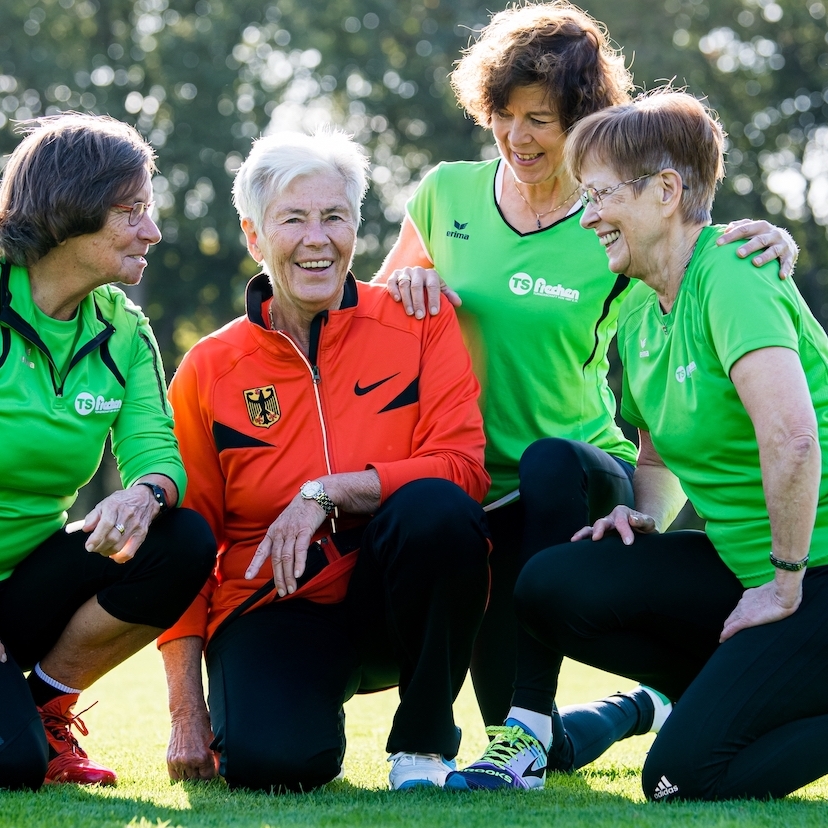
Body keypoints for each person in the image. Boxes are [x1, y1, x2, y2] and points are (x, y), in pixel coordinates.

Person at [373, 0, 800, 790]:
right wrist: (402, 281)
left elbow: (689, 270)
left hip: (573, 479)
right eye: (504, 114)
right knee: (522, 731)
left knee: (549, 471)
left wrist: (772, 243)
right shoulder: (444, 195)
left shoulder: (616, 222)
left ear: (582, 118)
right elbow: (385, 317)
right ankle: (636, 708)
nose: (519, 137)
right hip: (469, 485)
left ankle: (540, 725)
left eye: (541, 118)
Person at [510, 88, 828, 801]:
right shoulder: (641, 317)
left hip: (810, 574)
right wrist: (644, 513)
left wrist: (782, 581)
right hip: (753, 574)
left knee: (680, 778)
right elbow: (654, 455)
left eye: (599, 195)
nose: (587, 215)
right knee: (553, 586)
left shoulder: (734, 273)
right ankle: (733, 691)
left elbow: (794, 439)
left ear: (665, 190)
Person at [158, 130, 492, 792]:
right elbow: (188, 544)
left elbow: (464, 468)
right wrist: (185, 714)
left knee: (438, 509)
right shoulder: (209, 368)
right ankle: (298, 714)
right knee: (273, 767)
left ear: (356, 228)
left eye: (334, 217)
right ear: (255, 238)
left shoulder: (418, 320)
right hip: (271, 604)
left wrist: (331, 491)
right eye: (294, 219)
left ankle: (424, 748)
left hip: (392, 600)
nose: (318, 238)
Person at [0, 113, 216, 790]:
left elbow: (159, 455)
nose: (152, 231)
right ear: (72, 211)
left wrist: (142, 494)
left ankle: (41, 708)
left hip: (26, 585)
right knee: (12, 769)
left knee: (179, 538)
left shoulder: (124, 330)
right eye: (133, 211)